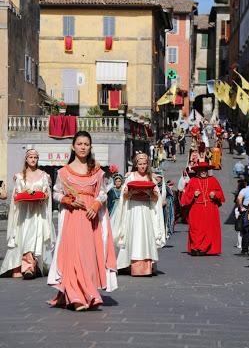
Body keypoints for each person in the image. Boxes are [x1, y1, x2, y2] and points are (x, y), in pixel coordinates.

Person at [47, 131, 117, 311]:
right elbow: (56, 192)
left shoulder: (97, 172)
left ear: (90, 147)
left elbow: (102, 192)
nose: (83, 147)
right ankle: (75, 296)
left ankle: (88, 293)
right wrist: (67, 200)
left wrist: (95, 204)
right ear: (73, 146)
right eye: (79, 144)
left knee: (87, 256)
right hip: (72, 216)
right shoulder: (64, 172)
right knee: (73, 254)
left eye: (86, 144)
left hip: (90, 218)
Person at [0, 149, 56, 279]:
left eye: (35, 157)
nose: (33, 159)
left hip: (37, 213)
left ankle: (29, 267)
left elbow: (47, 195)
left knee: (33, 237)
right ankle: (18, 266)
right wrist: (22, 195)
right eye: (30, 157)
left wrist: (43, 196)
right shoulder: (19, 176)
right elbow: (16, 195)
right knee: (21, 238)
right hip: (24, 213)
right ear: (26, 159)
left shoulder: (44, 176)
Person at [111, 153, 165, 276]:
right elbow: (123, 196)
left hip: (146, 210)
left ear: (147, 164)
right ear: (136, 165)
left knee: (145, 234)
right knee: (133, 234)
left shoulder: (150, 178)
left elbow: (156, 197)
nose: (142, 166)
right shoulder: (130, 177)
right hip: (133, 210)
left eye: (144, 164)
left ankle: (146, 267)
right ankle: (129, 264)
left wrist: (150, 194)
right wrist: (129, 193)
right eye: (140, 164)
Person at [181, 162, 225, 256]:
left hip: (210, 208)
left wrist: (215, 195)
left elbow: (220, 194)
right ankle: (195, 247)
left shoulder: (213, 180)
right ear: (198, 171)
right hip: (196, 208)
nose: (203, 172)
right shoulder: (193, 180)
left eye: (205, 170)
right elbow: (185, 197)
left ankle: (204, 249)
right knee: (195, 229)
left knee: (208, 229)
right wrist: (193, 194)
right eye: (201, 170)